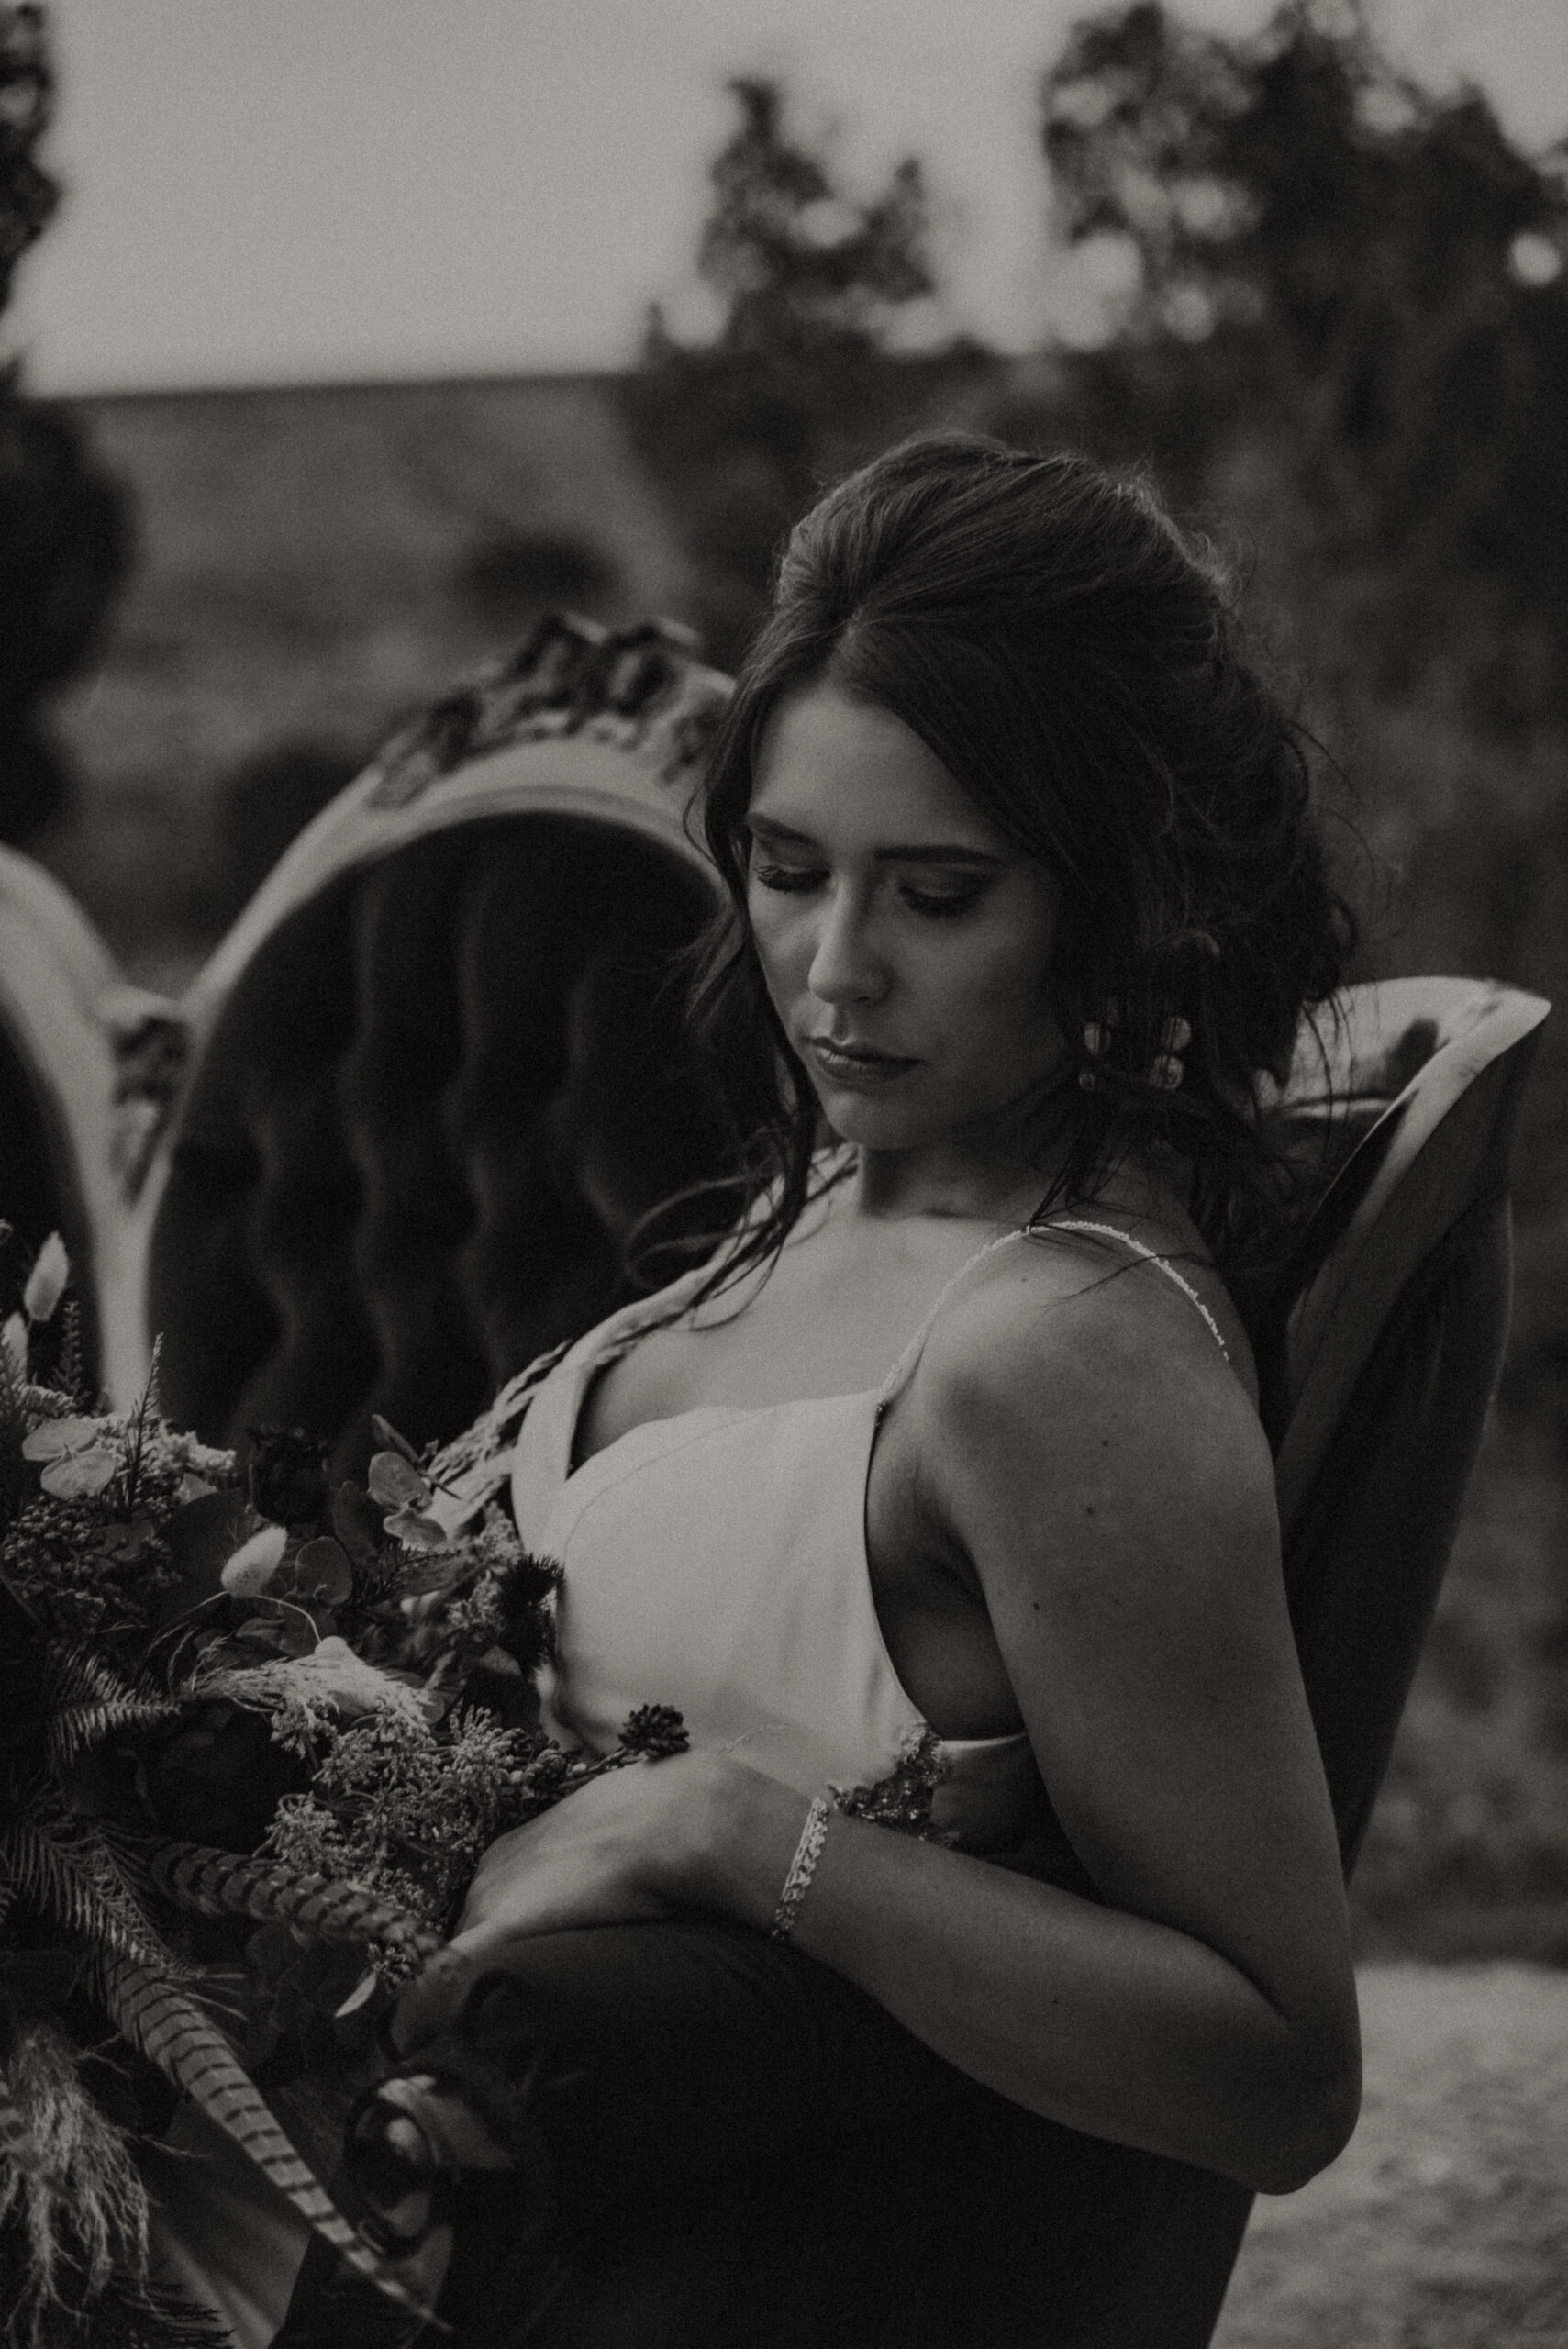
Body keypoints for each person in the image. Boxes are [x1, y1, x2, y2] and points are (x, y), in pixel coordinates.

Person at [278, 432, 1361, 2347]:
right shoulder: (838, 1189)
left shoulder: (1061, 1357)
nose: (835, 972)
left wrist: (730, 1831)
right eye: (788, 869)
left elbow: (1274, 2065)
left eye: (939, 894)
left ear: (1116, 897)